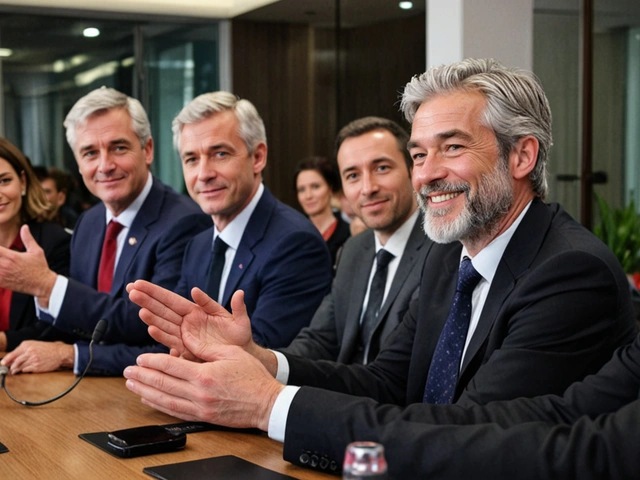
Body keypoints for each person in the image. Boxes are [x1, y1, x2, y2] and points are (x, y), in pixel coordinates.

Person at [122, 58, 637, 475]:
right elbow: (386, 382)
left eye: (452, 148)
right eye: (418, 155)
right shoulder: (447, 255)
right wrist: (261, 361)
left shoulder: (570, 272)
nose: (428, 175)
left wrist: (270, 405)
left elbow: (467, 432)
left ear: (522, 156)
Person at [0, 87, 210, 375]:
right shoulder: (89, 221)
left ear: (147, 149)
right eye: (90, 153)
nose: (105, 165)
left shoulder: (185, 222)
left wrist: (48, 289)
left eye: (118, 148)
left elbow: (153, 332)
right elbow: (76, 320)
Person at [170, 91, 332, 348]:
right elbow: (173, 337)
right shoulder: (197, 246)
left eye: (220, 154)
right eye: (191, 159)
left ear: (257, 157)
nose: (203, 174)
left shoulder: (296, 244)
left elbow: (257, 355)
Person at [282, 117, 433, 364]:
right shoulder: (354, 249)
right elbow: (320, 339)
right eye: (352, 175)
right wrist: (260, 364)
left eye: (381, 168)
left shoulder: (442, 250)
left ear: (411, 170)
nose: (367, 188)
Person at [0, 139, 71, 352]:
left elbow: (61, 327)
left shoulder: (53, 242)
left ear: (22, 182)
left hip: (32, 375)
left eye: (4, 181)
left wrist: (3, 341)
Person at [294, 156, 350, 269]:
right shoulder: (292, 234)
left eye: (315, 187)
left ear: (331, 188)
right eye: (301, 190)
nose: (308, 196)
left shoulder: (349, 235)